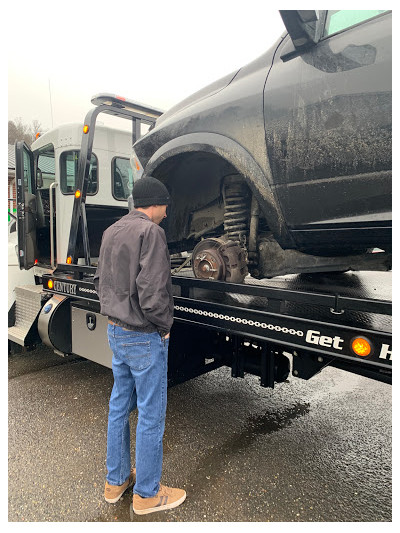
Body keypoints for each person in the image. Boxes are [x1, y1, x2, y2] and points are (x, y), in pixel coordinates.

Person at [94, 176, 186, 515]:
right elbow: (153, 291)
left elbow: (99, 279)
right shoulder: (152, 233)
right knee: (151, 413)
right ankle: (147, 494)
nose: (166, 212)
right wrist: (164, 327)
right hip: (143, 334)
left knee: (119, 404)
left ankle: (115, 480)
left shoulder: (111, 231)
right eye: (165, 206)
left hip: (115, 330)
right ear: (156, 203)